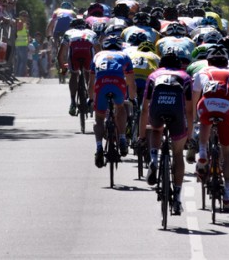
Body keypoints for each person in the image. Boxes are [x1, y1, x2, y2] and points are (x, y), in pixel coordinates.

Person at [192, 45, 229, 213]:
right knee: (228, 152)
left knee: (204, 122)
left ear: (208, 61)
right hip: (225, 109)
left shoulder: (201, 74)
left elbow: (194, 100)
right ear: (227, 61)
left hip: (206, 107)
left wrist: (195, 119)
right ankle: (228, 195)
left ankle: (202, 153)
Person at [138, 52, 194, 216]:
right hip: (177, 113)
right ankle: (176, 197)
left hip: (157, 109)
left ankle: (154, 158)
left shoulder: (154, 75)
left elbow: (144, 109)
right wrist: (189, 137)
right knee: (177, 155)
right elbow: (190, 111)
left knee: (156, 129)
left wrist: (141, 137)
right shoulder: (185, 77)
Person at [89, 36, 136, 168]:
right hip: (118, 84)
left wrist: (90, 98)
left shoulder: (98, 55)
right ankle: (122, 137)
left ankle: (99, 147)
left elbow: (90, 81)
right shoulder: (124, 56)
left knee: (99, 118)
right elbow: (131, 82)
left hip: (101, 84)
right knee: (120, 107)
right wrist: (132, 99)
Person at [58, 18, 98, 116]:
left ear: (72, 26)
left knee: (74, 74)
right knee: (89, 73)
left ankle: (72, 102)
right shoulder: (92, 33)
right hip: (88, 53)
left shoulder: (68, 33)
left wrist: (63, 68)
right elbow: (99, 51)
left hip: (74, 53)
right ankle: (90, 99)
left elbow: (60, 54)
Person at [14, 10, 31, 77]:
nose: (25, 17)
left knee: (19, 61)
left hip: (21, 44)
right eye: (24, 16)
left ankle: (17, 75)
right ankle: (19, 75)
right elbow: (19, 29)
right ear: (20, 16)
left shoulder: (23, 23)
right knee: (23, 61)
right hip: (21, 44)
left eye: (26, 16)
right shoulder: (20, 22)